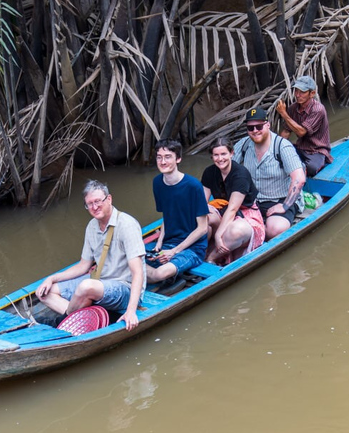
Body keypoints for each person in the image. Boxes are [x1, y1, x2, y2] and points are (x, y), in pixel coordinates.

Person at [35, 180, 146, 331]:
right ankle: (87, 318)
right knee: (44, 292)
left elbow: (137, 272)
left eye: (98, 201)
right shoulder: (92, 226)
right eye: (89, 204)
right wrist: (51, 278)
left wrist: (131, 311)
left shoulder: (127, 225)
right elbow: (83, 265)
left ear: (109, 199)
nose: (94, 207)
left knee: (86, 286)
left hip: (124, 288)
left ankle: (61, 321)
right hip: (99, 280)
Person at [233, 107, 306, 240]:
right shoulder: (244, 145)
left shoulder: (282, 146)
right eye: (251, 128)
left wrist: (284, 206)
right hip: (253, 200)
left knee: (274, 229)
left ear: (268, 125)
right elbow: (227, 167)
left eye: (259, 126)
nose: (255, 131)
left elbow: (299, 179)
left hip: (280, 199)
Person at [146, 139, 209, 284]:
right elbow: (166, 216)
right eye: (159, 157)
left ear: (178, 159)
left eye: (168, 157)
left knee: (159, 274)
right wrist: (159, 243)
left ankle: (138, 273)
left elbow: (203, 228)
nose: (162, 162)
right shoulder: (157, 182)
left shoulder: (193, 186)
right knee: (130, 257)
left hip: (192, 249)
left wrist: (174, 251)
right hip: (168, 244)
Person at [200, 138, 266, 264]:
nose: (220, 159)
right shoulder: (209, 172)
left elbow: (233, 209)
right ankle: (201, 252)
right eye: (216, 155)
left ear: (231, 153)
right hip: (221, 209)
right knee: (202, 216)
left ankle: (211, 258)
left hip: (245, 214)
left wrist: (219, 235)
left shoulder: (240, 174)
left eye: (223, 154)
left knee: (235, 231)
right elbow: (201, 203)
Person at [276, 75, 333, 176]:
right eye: (296, 91)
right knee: (278, 160)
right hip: (301, 147)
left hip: (317, 150)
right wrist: (277, 148)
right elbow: (286, 131)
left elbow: (301, 132)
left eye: (302, 92)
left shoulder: (318, 109)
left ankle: (320, 161)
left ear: (312, 93)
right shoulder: (293, 108)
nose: (297, 95)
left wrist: (284, 114)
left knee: (311, 169)